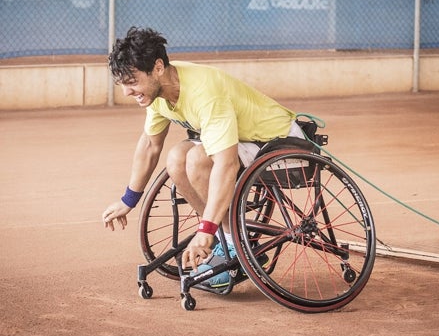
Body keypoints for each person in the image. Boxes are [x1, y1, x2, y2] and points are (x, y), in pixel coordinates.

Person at [100, 27, 305, 286]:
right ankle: (228, 239)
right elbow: (151, 145)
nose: (127, 93)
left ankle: (234, 246)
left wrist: (204, 230)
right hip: (245, 141)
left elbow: (226, 163)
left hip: (277, 142)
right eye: (122, 85)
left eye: (132, 82)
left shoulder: (204, 93)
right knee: (176, 158)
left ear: (158, 68)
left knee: (197, 159)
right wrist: (128, 199)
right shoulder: (159, 94)